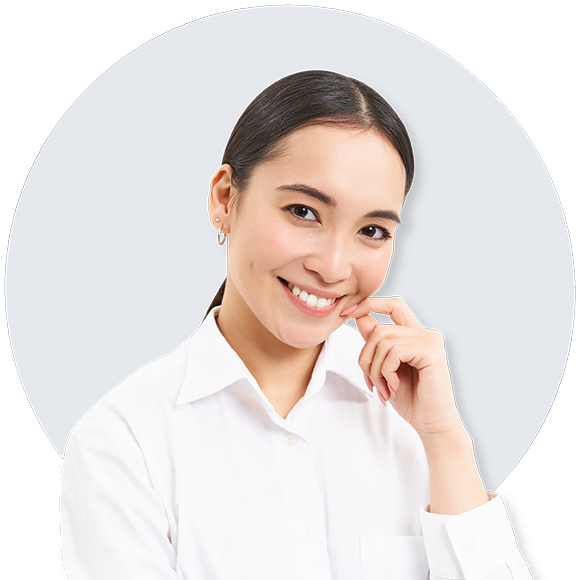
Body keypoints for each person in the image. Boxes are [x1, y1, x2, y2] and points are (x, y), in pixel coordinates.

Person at [60, 70, 532, 579]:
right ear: (224, 199)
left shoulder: (415, 420)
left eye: (372, 230)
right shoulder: (124, 440)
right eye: (303, 211)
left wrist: (445, 440)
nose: (333, 267)